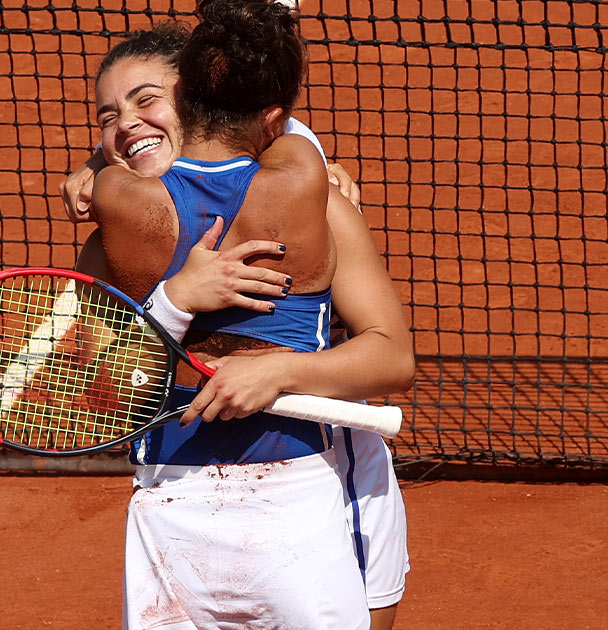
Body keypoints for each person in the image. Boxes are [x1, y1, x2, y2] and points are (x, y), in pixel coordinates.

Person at [67, 6, 412, 628]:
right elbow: (93, 396)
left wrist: (278, 371)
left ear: (196, 96)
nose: (126, 126)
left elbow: (390, 358)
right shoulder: (112, 233)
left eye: (148, 101)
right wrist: (173, 301)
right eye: (108, 118)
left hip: (330, 472)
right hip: (169, 495)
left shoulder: (313, 194)